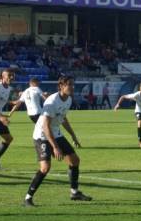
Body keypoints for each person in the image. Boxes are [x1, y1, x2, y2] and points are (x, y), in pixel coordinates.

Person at [23, 76, 91, 206]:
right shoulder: (52, 101)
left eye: (72, 84)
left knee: (75, 160)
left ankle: (74, 192)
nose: (72, 87)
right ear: (61, 86)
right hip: (42, 135)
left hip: (55, 133)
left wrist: (73, 136)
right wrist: (55, 147)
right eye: (69, 85)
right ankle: (28, 198)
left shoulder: (69, 99)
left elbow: (63, 119)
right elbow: (45, 126)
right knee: (45, 168)